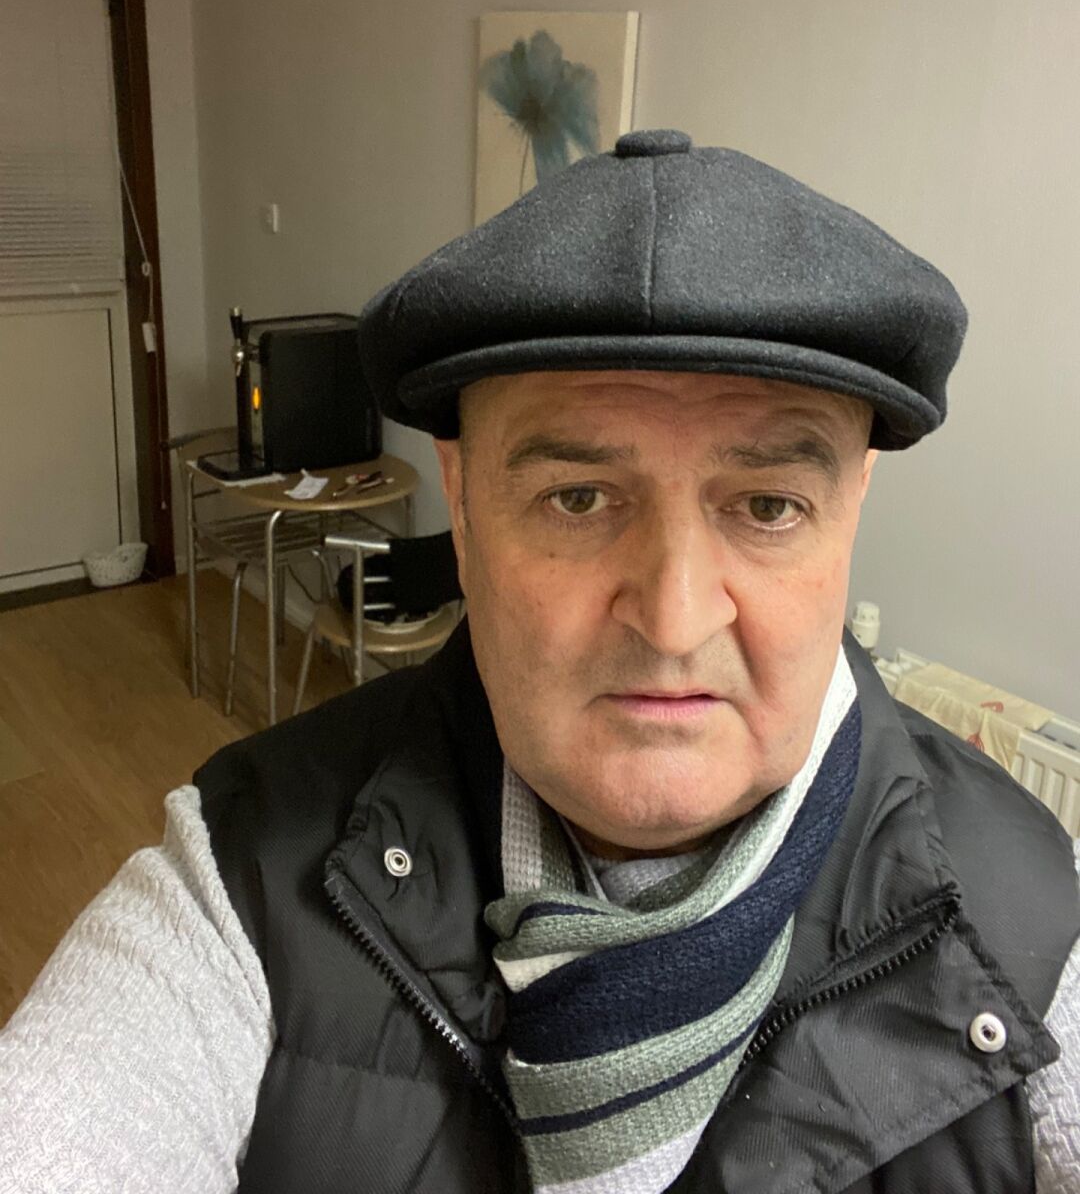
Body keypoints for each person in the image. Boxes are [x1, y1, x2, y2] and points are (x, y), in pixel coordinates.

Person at [1, 130, 1077, 1194]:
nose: (673, 620)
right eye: (578, 497)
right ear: (463, 505)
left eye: (767, 506)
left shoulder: (1035, 932)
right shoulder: (242, 885)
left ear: (852, 511)